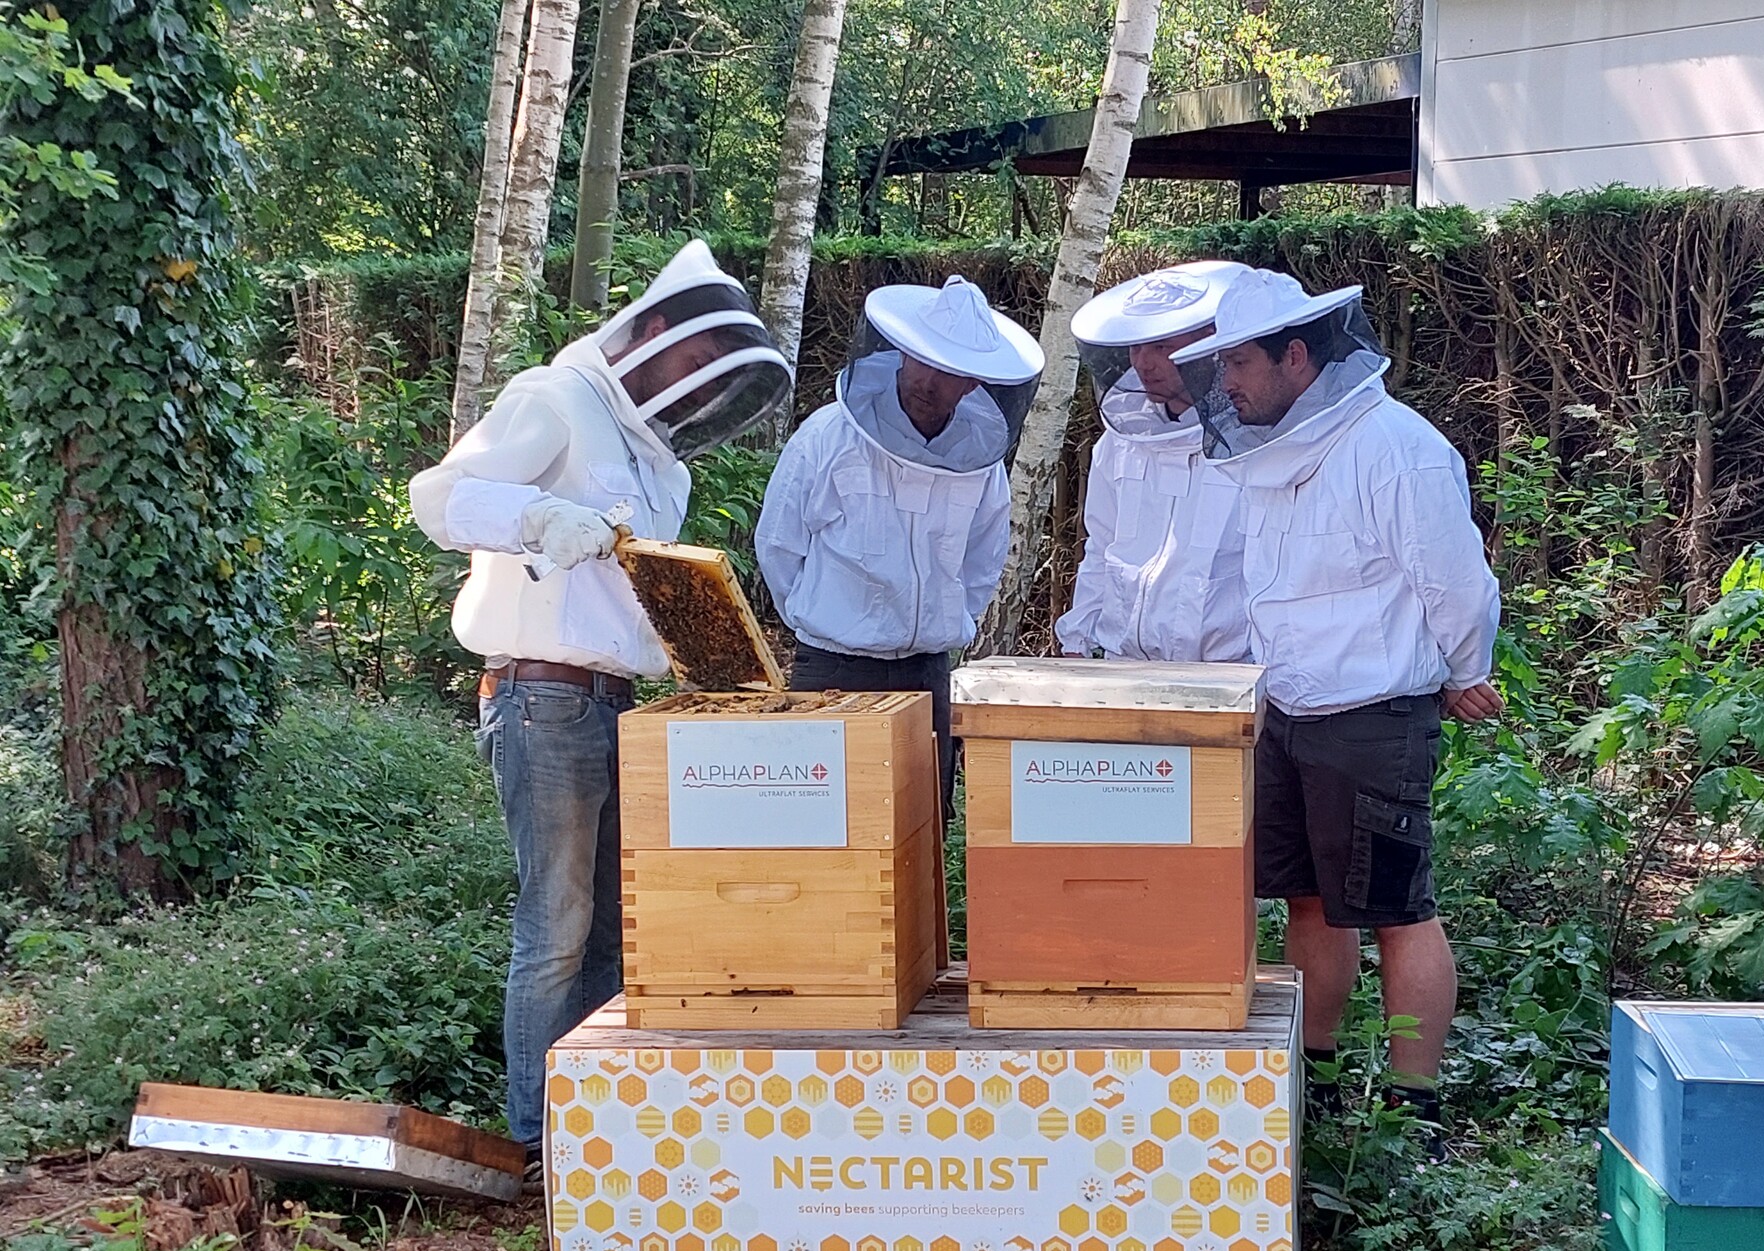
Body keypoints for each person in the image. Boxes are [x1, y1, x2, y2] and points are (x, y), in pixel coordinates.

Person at [410, 240, 792, 1172]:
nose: (699, 386)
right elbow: (439, 496)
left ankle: (596, 1124)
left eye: (715, 374)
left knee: (621, 926)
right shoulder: (554, 398)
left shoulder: (664, 464)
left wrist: (705, 651)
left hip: (622, 706)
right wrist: (536, 518)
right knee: (557, 925)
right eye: (697, 361)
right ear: (654, 331)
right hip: (544, 701)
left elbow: (637, 602)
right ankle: (536, 1139)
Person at [1170, 269, 1502, 1146]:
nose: (1225, 384)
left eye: (1238, 363)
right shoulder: (1270, 452)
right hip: (1286, 711)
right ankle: (1307, 1080)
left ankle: (1412, 1110)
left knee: (1397, 911)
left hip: (1373, 716)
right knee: (1307, 904)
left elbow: (1455, 581)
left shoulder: (1398, 448)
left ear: (1296, 355)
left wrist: (1467, 667)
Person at [755, 276, 1044, 819]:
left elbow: (982, 562)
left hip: (926, 674)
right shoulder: (827, 436)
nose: (928, 381)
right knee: (819, 830)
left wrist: (946, 620)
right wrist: (820, 617)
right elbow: (778, 545)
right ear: (900, 354)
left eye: (948, 371)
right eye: (921, 360)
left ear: (973, 385)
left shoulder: (980, 465)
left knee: (920, 832)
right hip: (831, 671)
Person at [1055, 261, 1254, 664]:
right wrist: (1077, 641)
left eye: (1162, 347)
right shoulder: (1120, 442)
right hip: (1122, 671)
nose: (1143, 363)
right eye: (1136, 347)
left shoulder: (1255, 441)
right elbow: (1101, 546)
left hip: (1228, 676)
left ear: (1210, 345)